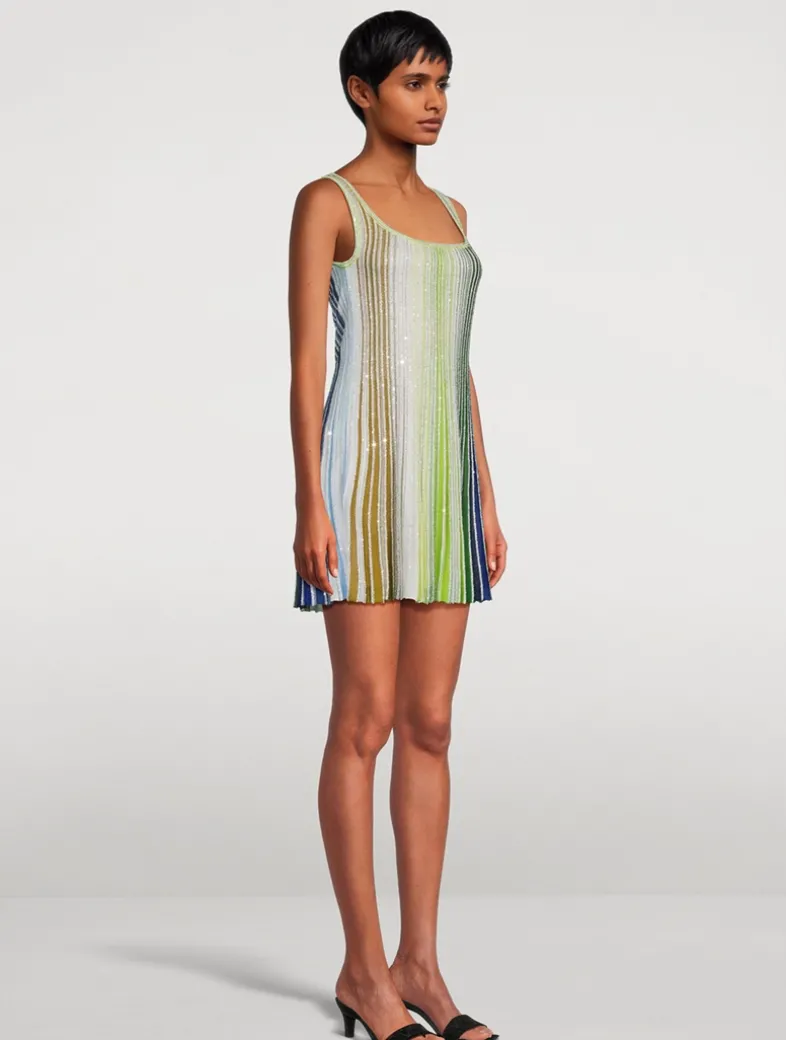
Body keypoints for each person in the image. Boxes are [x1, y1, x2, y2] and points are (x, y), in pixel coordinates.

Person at [288, 11, 507, 1040]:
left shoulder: (455, 213)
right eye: (416, 82)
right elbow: (306, 366)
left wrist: (486, 495)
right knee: (363, 718)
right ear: (360, 91)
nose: (435, 101)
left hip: (442, 487)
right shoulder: (326, 203)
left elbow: (458, 365)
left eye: (443, 83)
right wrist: (309, 500)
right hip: (363, 484)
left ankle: (420, 960)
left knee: (431, 724)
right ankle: (363, 972)